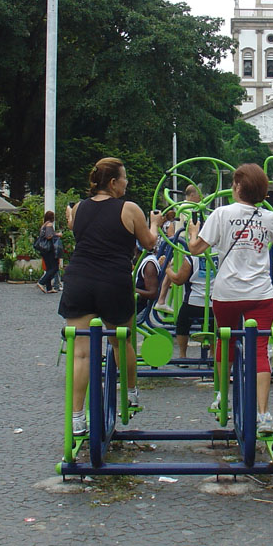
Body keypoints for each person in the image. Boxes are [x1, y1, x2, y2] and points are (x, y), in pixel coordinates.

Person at [59, 158, 164, 435]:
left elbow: (77, 231)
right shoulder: (129, 209)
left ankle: (77, 418)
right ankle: (130, 393)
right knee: (122, 341)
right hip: (113, 280)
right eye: (124, 178)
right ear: (114, 182)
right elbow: (149, 242)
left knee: (80, 354)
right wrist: (155, 223)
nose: (127, 183)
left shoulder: (80, 208)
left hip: (79, 279)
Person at [187, 163, 273, 434]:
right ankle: (263, 414)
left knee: (224, 340)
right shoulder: (270, 218)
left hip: (227, 292)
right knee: (259, 349)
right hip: (261, 293)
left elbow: (196, 249)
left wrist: (192, 233)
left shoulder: (221, 213)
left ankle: (222, 396)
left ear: (238, 187)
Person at [165, 251, 213, 362]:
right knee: (215, 323)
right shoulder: (220, 254)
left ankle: (182, 355)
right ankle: (213, 355)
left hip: (193, 301)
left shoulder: (192, 257)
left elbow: (178, 280)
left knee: (182, 323)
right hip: (214, 301)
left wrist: (167, 269)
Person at [36, 211, 62, 293]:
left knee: (49, 268)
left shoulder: (43, 225)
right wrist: (57, 234)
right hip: (49, 249)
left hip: (43, 249)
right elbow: (49, 236)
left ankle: (49, 288)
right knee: (54, 268)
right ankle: (41, 282)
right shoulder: (49, 225)